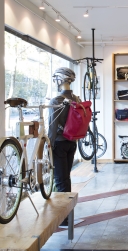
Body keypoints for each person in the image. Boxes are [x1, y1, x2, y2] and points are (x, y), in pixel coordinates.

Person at [48, 67, 79, 227]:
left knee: (61, 181)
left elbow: (52, 127)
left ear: (60, 81)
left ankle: (65, 217)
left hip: (59, 143)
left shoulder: (56, 101)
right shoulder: (77, 99)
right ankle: (68, 215)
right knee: (65, 178)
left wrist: (49, 145)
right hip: (72, 142)